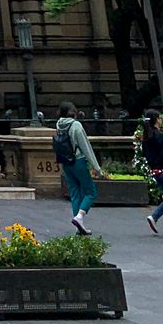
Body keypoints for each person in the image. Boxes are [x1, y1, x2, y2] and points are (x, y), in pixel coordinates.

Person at [55, 100, 103, 234]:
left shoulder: (59, 125)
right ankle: (80, 217)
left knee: (75, 193)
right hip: (78, 161)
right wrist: (97, 168)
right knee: (90, 192)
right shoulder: (76, 126)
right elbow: (86, 148)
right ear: (74, 113)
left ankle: (79, 226)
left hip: (66, 162)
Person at [140, 109, 163, 234]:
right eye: (160, 117)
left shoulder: (146, 137)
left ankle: (154, 217)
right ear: (156, 119)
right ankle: (154, 216)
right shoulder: (159, 136)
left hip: (155, 171)